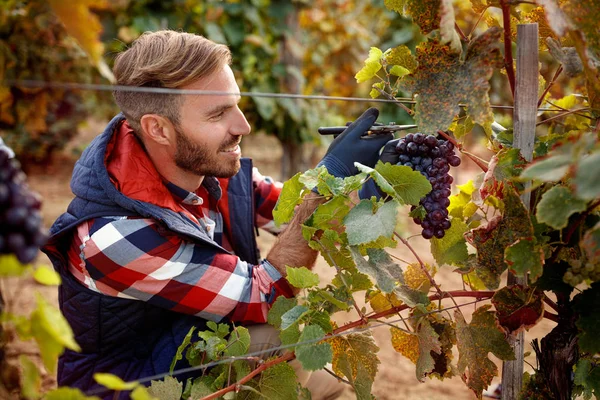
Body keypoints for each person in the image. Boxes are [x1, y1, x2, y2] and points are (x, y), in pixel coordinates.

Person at [42, 30, 393, 399]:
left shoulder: (203, 165)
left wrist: (365, 186)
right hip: (136, 386)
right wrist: (325, 183)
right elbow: (265, 296)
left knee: (329, 371)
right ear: (157, 128)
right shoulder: (117, 238)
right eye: (219, 113)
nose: (243, 126)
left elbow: (288, 215)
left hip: (191, 347)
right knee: (278, 340)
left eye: (236, 105)